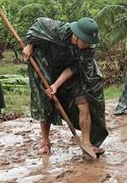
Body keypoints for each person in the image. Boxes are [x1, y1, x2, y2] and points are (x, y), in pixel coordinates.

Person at [23, 17, 108, 157]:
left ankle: (86, 143)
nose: (88, 45)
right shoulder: (58, 29)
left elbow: (74, 68)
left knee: (84, 102)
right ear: (76, 35)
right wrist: (30, 44)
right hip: (45, 65)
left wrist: (56, 85)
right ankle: (45, 143)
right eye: (85, 41)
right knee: (45, 102)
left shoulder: (88, 49)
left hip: (71, 73)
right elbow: (38, 24)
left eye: (90, 42)